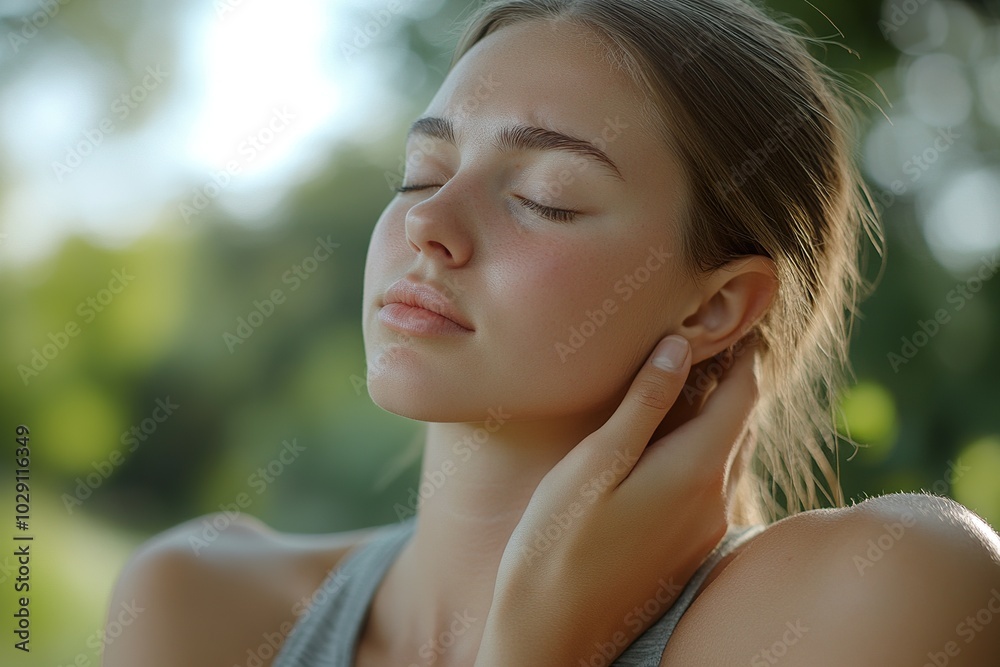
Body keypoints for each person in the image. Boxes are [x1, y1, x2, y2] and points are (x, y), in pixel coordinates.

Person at [104, 1, 1000, 665]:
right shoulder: (199, 602)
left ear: (715, 307)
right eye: (422, 172)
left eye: (546, 197)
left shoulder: (882, 595)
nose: (427, 223)